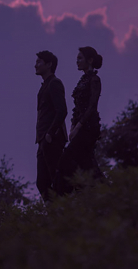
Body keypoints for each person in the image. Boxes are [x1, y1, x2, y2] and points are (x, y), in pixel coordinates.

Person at [55, 46, 105, 195]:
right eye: (77, 58)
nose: (77, 61)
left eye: (80, 58)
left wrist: (78, 126)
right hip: (80, 127)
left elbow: (92, 106)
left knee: (66, 160)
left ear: (89, 60)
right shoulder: (83, 79)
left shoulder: (95, 80)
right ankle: (105, 193)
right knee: (88, 164)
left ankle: (69, 194)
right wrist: (72, 126)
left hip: (89, 128)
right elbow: (77, 107)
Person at [34, 50, 69, 202]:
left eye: (39, 62)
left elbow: (62, 111)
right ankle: (55, 213)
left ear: (49, 65)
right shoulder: (44, 86)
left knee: (56, 178)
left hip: (51, 139)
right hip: (43, 140)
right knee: (42, 182)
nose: (35, 65)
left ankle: (62, 211)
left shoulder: (54, 83)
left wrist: (50, 134)